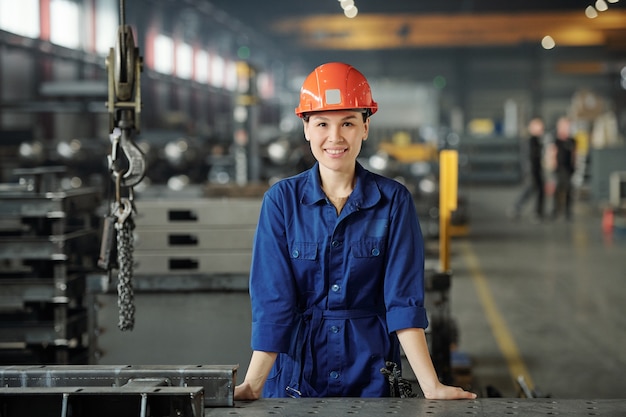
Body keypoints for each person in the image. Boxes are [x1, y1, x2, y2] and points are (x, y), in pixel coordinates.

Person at [234, 62, 476, 400]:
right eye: (321, 124)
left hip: (371, 375)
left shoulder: (393, 202)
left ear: (365, 127)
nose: (335, 138)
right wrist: (254, 383)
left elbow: (403, 301)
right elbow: (274, 301)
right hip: (297, 378)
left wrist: (431, 386)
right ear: (305, 129)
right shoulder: (281, 202)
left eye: (347, 122)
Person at [509, 117, 545, 221]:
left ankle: (537, 212)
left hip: (537, 169)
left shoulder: (538, 141)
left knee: (539, 190)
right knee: (531, 189)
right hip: (532, 170)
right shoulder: (530, 141)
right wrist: (529, 172)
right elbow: (528, 158)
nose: (541, 128)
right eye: (538, 125)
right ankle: (517, 207)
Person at [550, 116, 576, 220]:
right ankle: (556, 210)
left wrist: (574, 166)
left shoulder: (572, 141)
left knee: (569, 189)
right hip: (559, 168)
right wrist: (553, 166)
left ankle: (567, 211)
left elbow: (574, 154)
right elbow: (552, 153)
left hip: (569, 168)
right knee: (559, 189)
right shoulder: (556, 140)